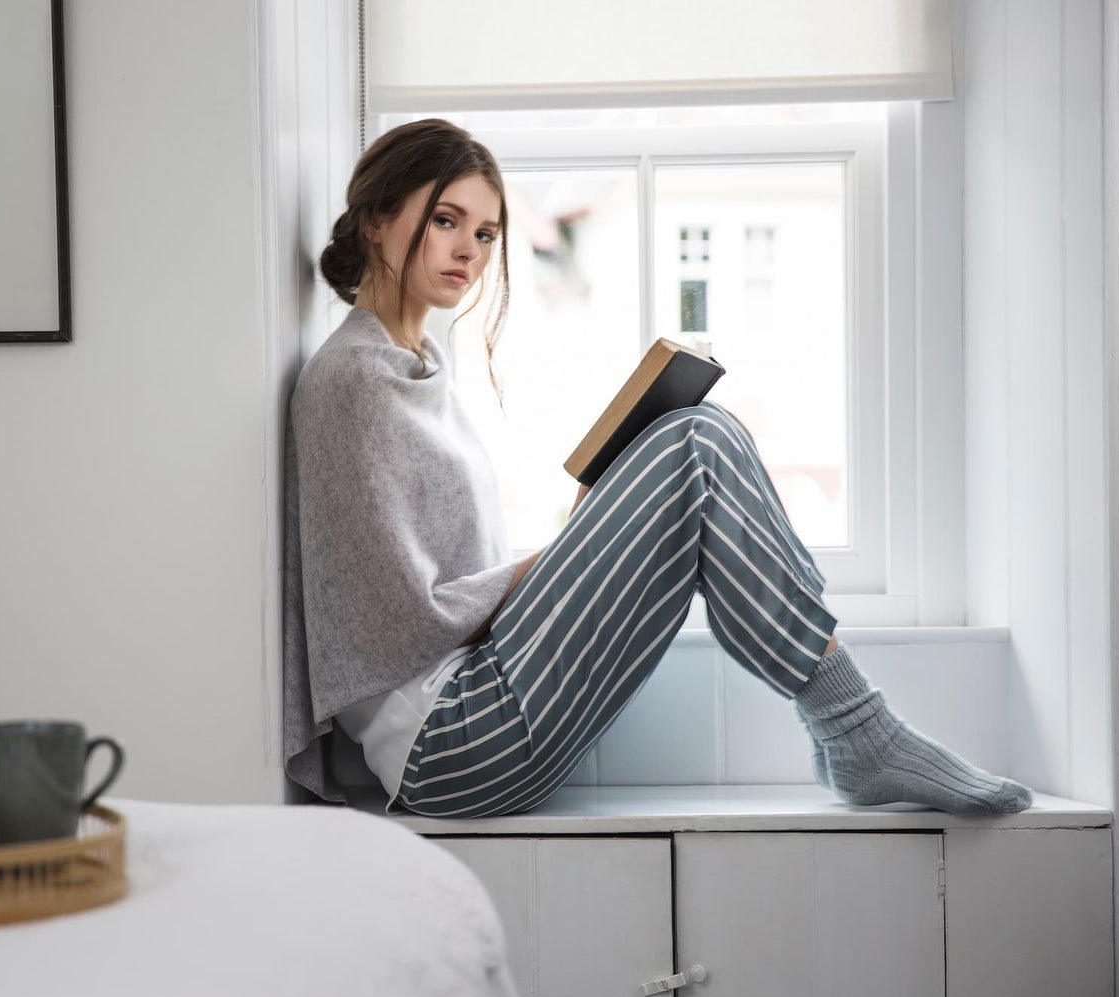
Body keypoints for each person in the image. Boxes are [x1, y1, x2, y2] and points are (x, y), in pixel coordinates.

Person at [283, 118, 1031, 819]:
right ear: (377, 217)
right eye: (447, 220)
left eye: (486, 232)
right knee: (694, 442)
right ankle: (856, 728)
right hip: (449, 742)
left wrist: (585, 540)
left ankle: (852, 726)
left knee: (695, 429)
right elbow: (394, 618)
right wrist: (551, 563)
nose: (471, 251)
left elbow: (449, 591)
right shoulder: (352, 379)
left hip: (481, 709)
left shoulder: (419, 366)